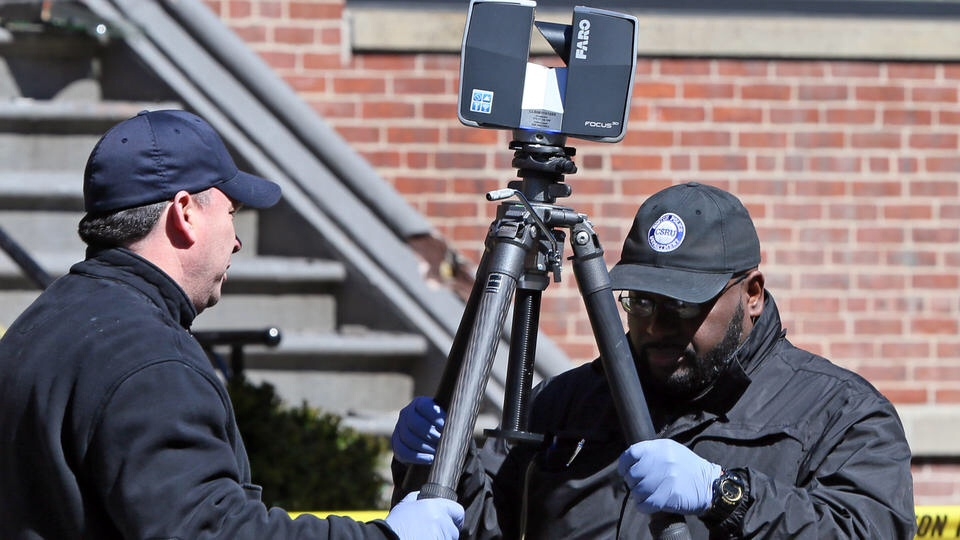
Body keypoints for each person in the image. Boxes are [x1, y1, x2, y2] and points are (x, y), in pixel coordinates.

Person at [0, 109, 463, 539]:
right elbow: (213, 530)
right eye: (230, 212)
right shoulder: (152, 363)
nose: (238, 241)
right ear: (185, 213)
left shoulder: (42, 323)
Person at [390, 182, 916, 538]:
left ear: (752, 294)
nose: (658, 327)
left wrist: (726, 493)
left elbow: (868, 529)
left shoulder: (841, 413)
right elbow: (493, 526)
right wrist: (440, 467)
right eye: (641, 303)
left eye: (685, 308)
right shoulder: (571, 402)